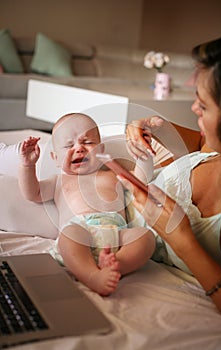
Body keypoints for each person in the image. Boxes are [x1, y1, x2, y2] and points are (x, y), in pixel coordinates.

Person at [121, 34, 221, 319]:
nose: (194, 108)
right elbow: (198, 143)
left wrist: (181, 239)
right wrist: (148, 127)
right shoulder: (220, 147)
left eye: (204, 106)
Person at [18, 113, 155, 296]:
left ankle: (116, 264)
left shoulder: (113, 174)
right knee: (68, 235)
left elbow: (141, 179)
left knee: (144, 237)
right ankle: (91, 276)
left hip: (117, 233)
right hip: (80, 230)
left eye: (88, 142)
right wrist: (27, 166)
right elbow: (32, 193)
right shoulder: (58, 181)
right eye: (68, 146)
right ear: (55, 158)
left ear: (102, 149)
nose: (79, 149)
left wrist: (142, 152)